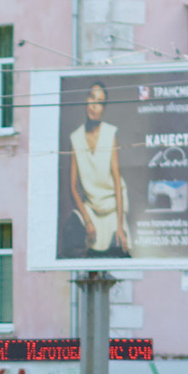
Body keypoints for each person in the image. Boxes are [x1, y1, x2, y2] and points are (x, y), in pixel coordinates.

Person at [66, 81, 131, 257]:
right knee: (73, 233)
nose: (94, 106)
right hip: (91, 210)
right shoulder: (75, 138)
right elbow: (73, 188)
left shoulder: (110, 133)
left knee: (120, 252)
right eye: (92, 98)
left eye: (100, 102)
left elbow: (117, 180)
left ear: (104, 108)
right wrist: (87, 221)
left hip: (112, 208)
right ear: (86, 100)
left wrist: (120, 225)